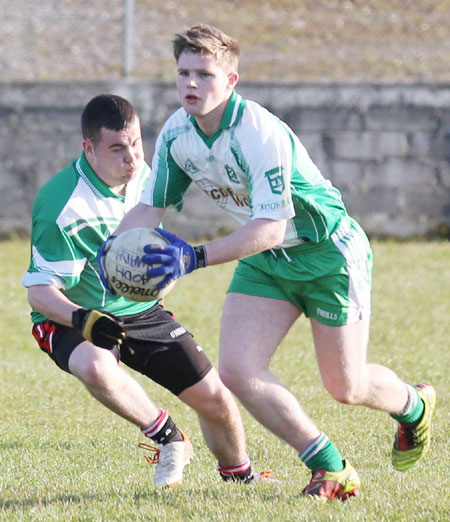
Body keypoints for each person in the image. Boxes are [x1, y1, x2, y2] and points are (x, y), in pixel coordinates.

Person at [104, 24, 437, 502]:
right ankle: (331, 468)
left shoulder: (258, 132)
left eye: (204, 73)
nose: (191, 84)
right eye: (183, 73)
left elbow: (270, 228)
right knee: (238, 371)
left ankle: (412, 404)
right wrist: (111, 247)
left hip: (326, 253)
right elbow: (149, 209)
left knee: (346, 385)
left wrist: (192, 257)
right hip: (267, 262)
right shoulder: (178, 131)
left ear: (231, 81)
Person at [22, 93, 276, 489]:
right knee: (96, 366)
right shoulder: (63, 207)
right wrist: (82, 319)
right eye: (117, 148)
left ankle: (241, 479)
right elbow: (39, 292)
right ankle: (169, 439)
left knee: (217, 399)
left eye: (137, 143)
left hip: (140, 309)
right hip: (71, 314)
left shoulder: (147, 177)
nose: (132, 157)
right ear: (88, 149)